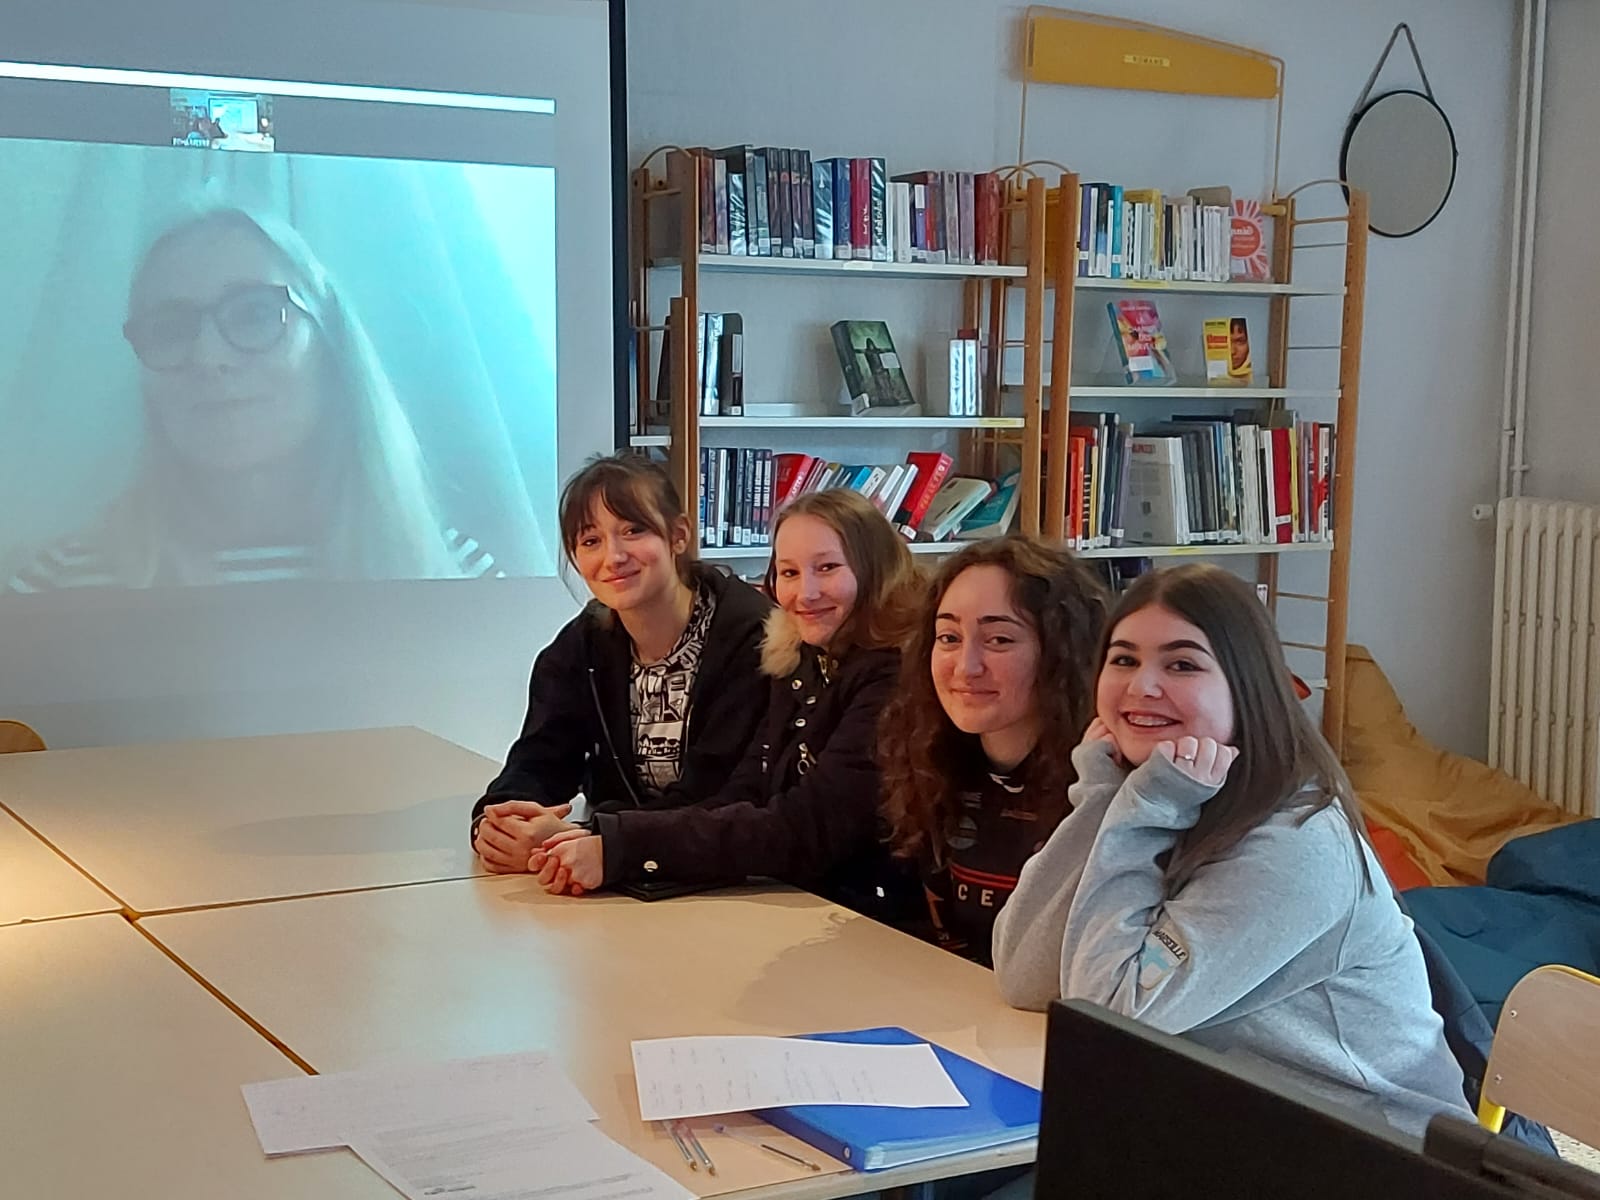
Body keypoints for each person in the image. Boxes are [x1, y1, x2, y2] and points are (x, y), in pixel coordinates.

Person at [992, 563, 1472, 1138]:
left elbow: (1106, 1020)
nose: (1141, 687)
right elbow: (1024, 975)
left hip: (1370, 1159)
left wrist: (1144, 812)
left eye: (1182, 665)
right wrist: (1103, 799)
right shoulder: (1167, 796)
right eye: (1123, 660)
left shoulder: (1297, 846)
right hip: (1223, 1129)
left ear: (1247, 690)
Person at [6, 207, 501, 590]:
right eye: (170, 327)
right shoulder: (53, 588)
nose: (209, 357)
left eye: (256, 314)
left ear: (330, 345)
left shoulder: (454, 572)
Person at [527, 488, 924, 921]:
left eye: (827, 568)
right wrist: (589, 837)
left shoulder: (893, 676)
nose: (805, 593)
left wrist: (623, 846)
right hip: (799, 905)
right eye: (788, 572)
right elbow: (745, 790)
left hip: (875, 925)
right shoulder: (799, 656)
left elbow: (805, 827)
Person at [471, 454, 772, 873]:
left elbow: (719, 798)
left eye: (633, 530)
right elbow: (540, 759)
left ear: (678, 535)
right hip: (624, 875)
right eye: (590, 541)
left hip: (735, 875)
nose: (613, 557)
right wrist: (502, 822)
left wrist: (592, 838)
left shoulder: (752, 638)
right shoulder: (584, 642)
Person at [878, 536, 1106, 965]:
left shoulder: (1101, 782)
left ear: (1061, 653)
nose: (966, 667)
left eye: (999, 639)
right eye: (948, 637)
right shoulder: (927, 758)